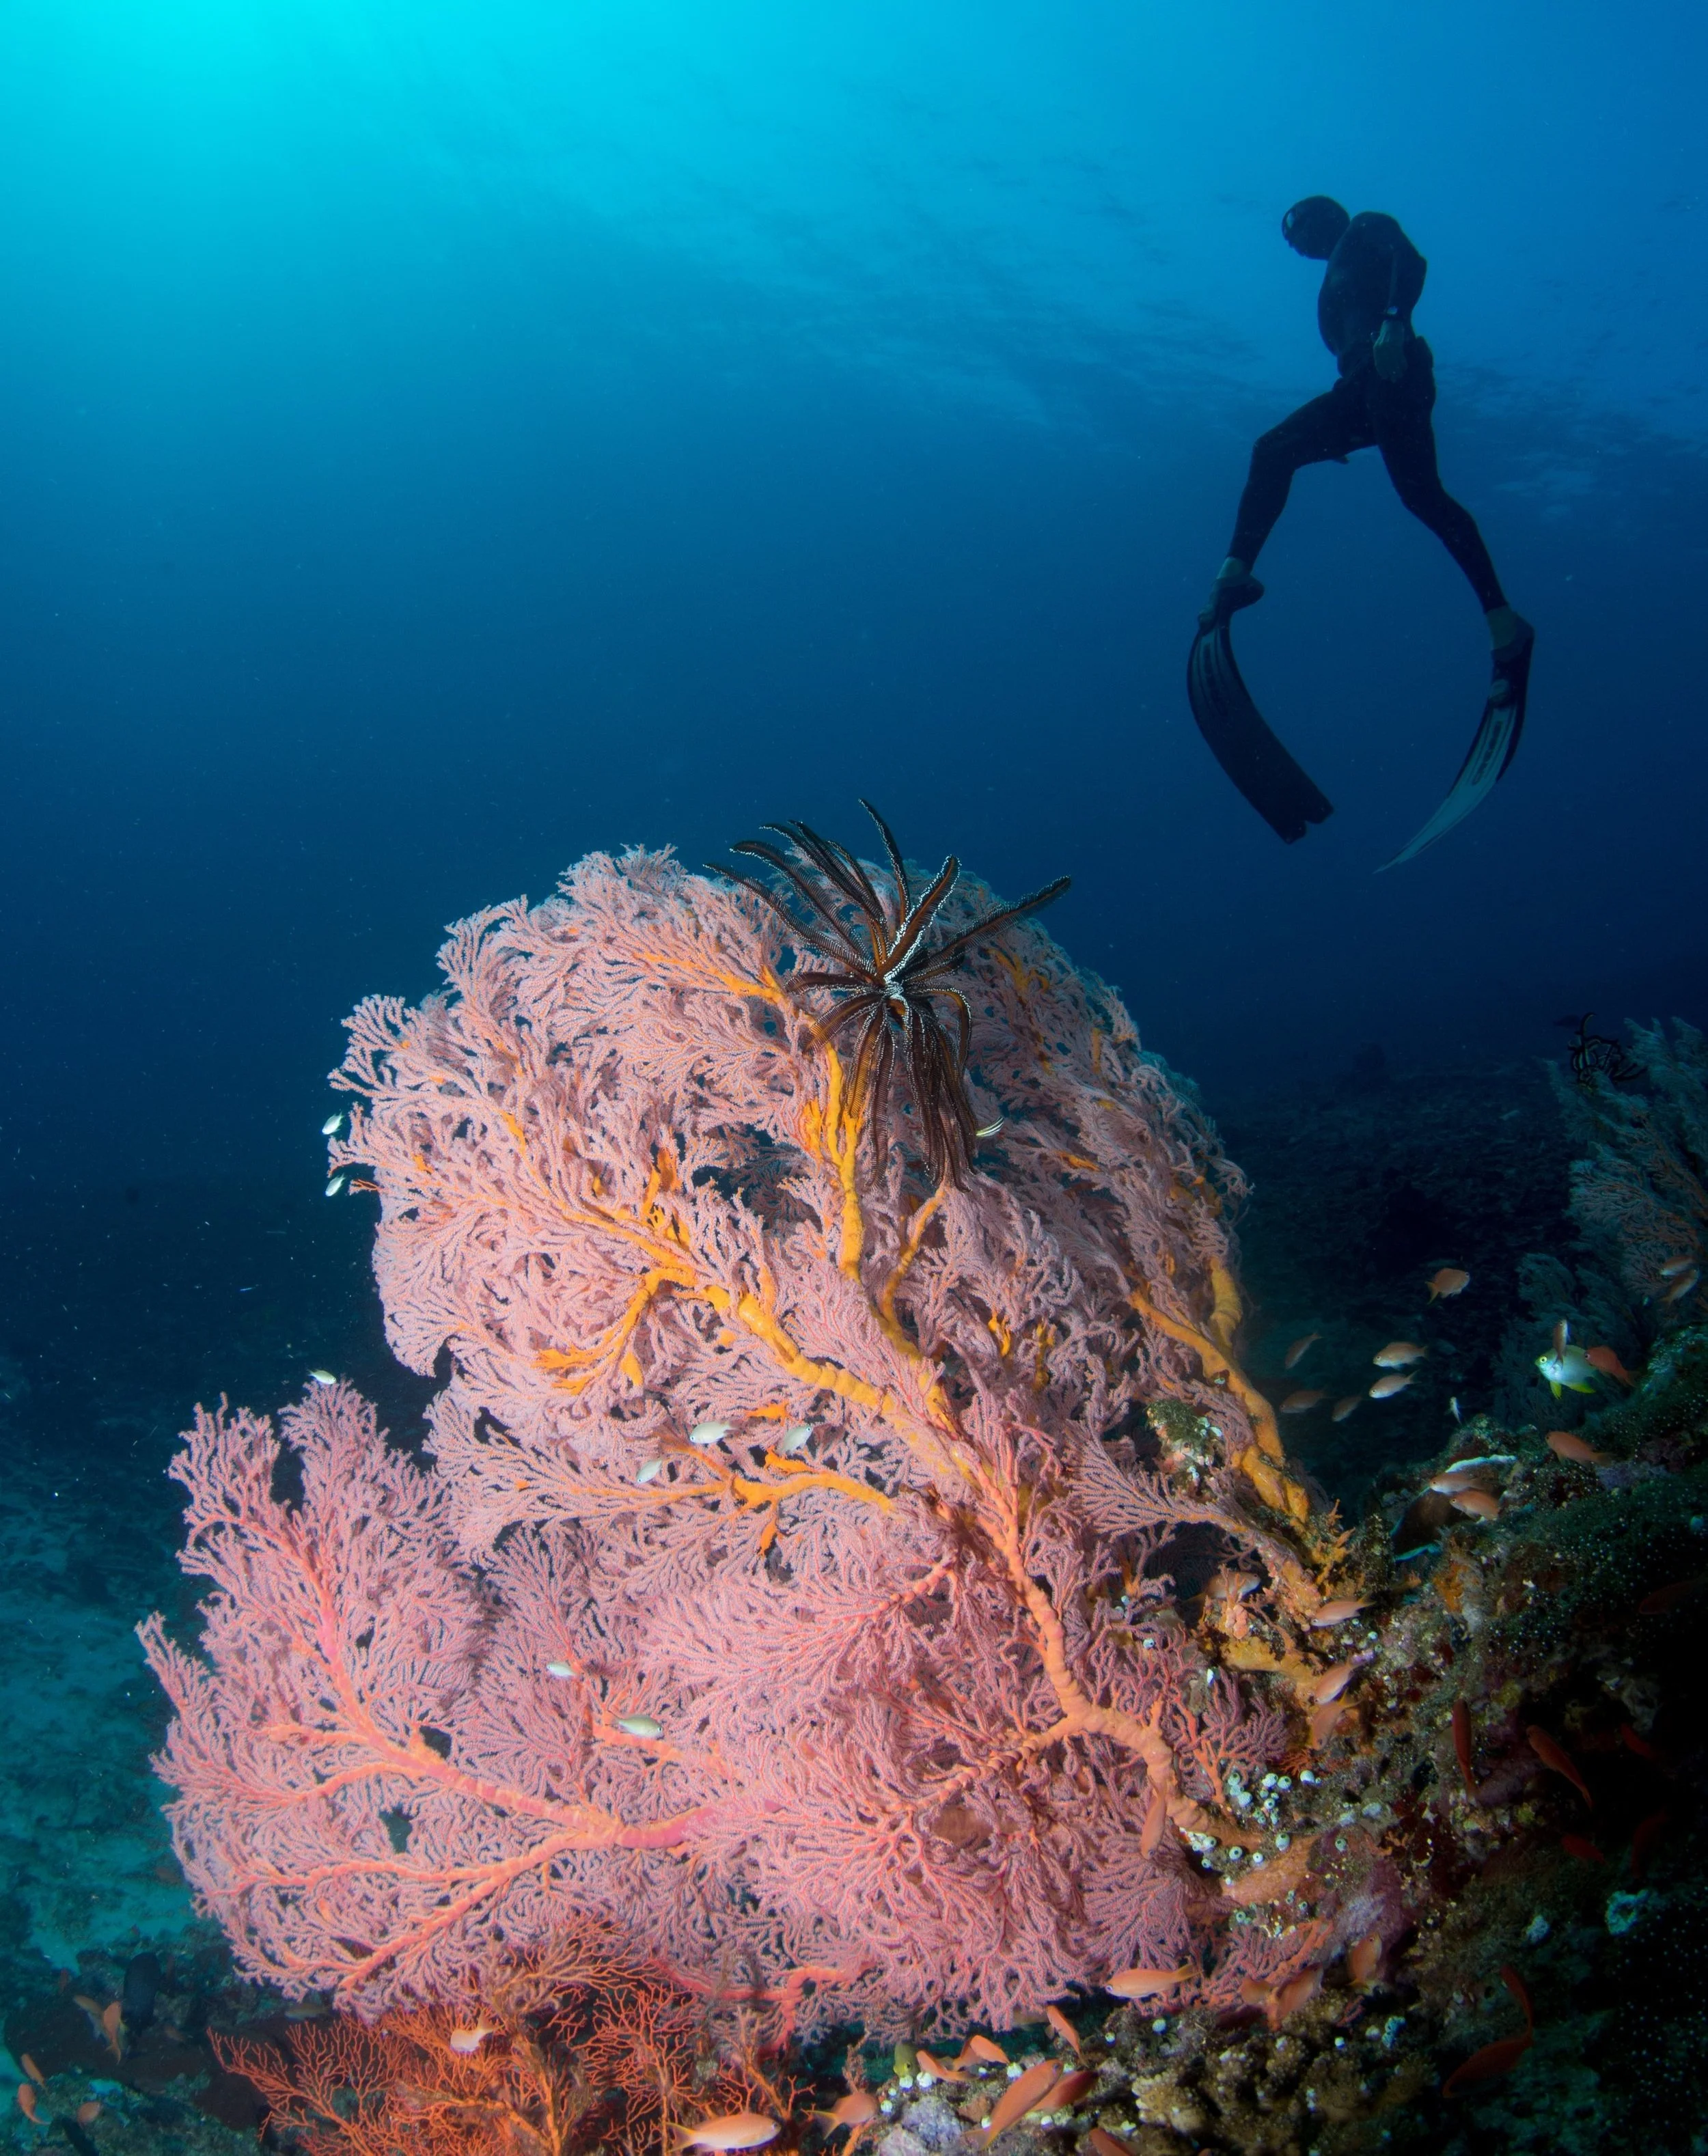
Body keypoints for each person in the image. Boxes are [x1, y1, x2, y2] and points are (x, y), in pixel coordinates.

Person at [1202, 197, 1532, 702]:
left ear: (1324, 215)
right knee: (1274, 450)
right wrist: (1335, 437)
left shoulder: (1364, 227)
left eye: (1295, 226)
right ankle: (1235, 574)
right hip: (1359, 390)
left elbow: (1411, 260)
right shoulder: (1334, 273)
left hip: (1395, 373)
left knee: (1423, 497)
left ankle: (1504, 626)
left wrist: (1396, 322)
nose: (1291, 242)